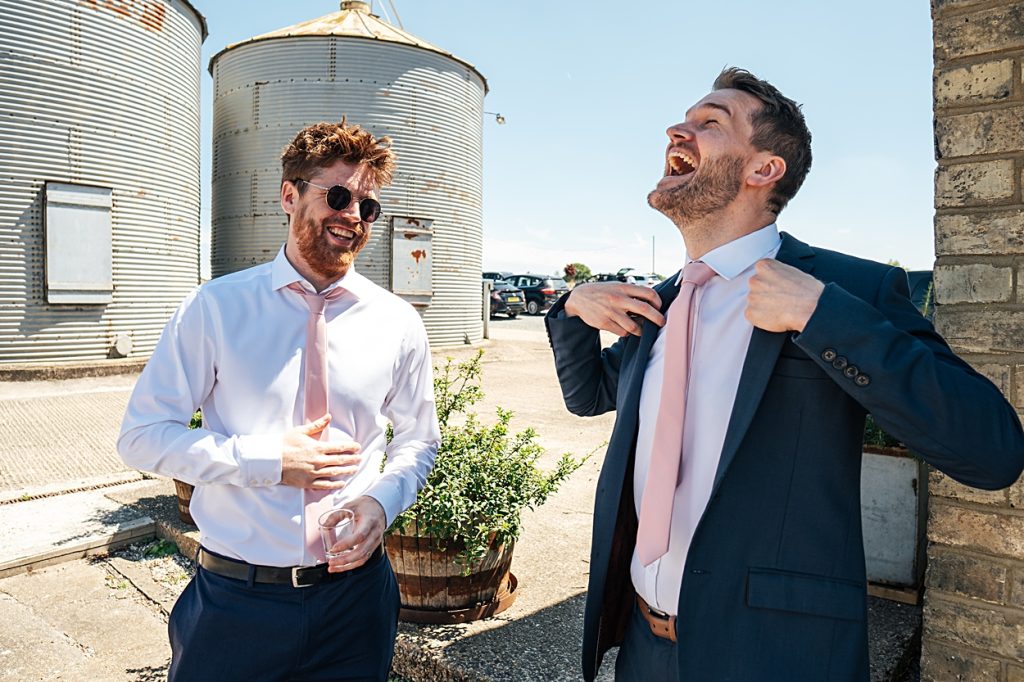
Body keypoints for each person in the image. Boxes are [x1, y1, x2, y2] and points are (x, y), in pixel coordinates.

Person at [545, 67, 1024, 681]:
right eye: (684, 118)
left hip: (776, 656)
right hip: (643, 649)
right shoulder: (659, 305)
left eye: (709, 122)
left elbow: (992, 453)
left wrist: (823, 317)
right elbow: (589, 396)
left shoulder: (848, 290)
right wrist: (573, 309)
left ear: (764, 169)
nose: (676, 130)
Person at [119, 120, 439, 681]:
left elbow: (418, 440)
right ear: (289, 195)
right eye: (337, 196)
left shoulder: (397, 321)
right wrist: (268, 461)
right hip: (236, 605)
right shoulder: (215, 308)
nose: (354, 216)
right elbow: (142, 436)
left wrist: (382, 502)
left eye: (367, 207)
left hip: (356, 605)